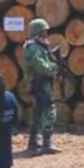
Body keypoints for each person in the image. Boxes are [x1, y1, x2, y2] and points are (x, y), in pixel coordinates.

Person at [22, 18, 61, 155]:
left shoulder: (36, 46)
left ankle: (33, 142)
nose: (46, 35)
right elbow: (41, 67)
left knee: (37, 112)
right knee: (49, 110)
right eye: (43, 32)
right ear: (37, 32)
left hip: (39, 83)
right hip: (40, 83)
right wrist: (55, 67)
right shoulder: (34, 48)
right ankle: (46, 144)